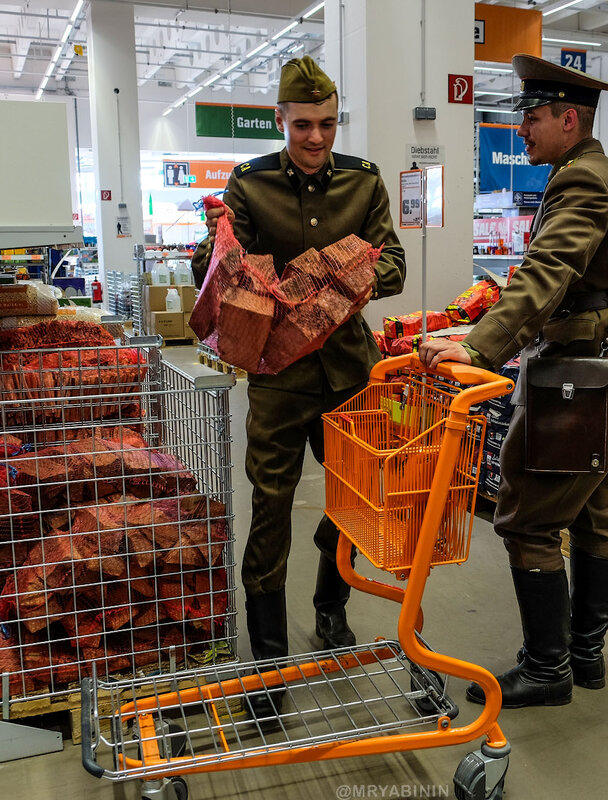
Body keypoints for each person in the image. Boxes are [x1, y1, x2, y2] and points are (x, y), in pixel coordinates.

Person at [419, 54, 608, 709]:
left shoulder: (582, 183)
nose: (521, 128)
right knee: (595, 516)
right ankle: (584, 656)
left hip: (580, 381)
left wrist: (477, 344)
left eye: (532, 115)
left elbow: (545, 276)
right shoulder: (599, 174)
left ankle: (548, 670)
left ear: (568, 120)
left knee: (527, 521)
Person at [190, 56, 407, 716]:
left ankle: (332, 608)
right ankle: (268, 658)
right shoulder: (250, 186)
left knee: (351, 500)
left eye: (329, 125)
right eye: (304, 124)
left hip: (348, 370)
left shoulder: (363, 182)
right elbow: (223, 267)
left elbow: (392, 261)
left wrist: (342, 280)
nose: (317, 139)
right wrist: (217, 253)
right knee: (271, 505)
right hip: (278, 377)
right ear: (281, 119)